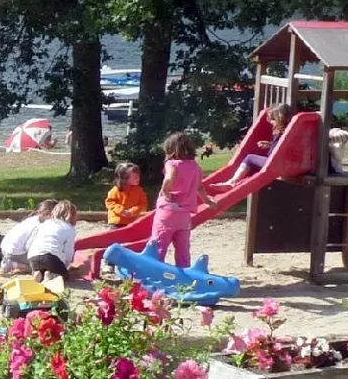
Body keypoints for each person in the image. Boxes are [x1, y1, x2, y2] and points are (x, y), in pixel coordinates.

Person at [147, 130, 221, 269]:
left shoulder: (172, 163)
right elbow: (200, 187)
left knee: (159, 243)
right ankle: (184, 271)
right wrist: (207, 201)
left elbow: (170, 177)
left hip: (168, 211)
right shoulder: (195, 166)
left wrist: (165, 190)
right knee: (183, 247)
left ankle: (153, 269)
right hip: (184, 215)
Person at [212, 102, 291, 189]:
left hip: (273, 163)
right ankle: (234, 182)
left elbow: (281, 148)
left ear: (279, 119)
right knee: (254, 163)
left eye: (273, 119)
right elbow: (280, 146)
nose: (271, 122)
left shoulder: (280, 131)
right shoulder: (287, 130)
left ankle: (232, 182)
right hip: (279, 163)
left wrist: (271, 146)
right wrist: (269, 144)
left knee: (249, 158)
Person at [27, 200, 79, 289]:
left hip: (33, 257)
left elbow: (31, 242)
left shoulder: (45, 223)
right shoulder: (69, 229)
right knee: (64, 275)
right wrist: (66, 265)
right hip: (51, 258)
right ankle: (50, 275)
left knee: (42, 267)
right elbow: (68, 250)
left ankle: (38, 272)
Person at [0, 199, 54, 275]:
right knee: (41, 267)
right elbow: (28, 246)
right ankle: (12, 264)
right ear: (47, 213)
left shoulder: (33, 219)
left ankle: (14, 264)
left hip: (5, 249)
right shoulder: (40, 226)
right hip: (15, 253)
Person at [104, 162, 148, 227]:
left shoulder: (139, 190)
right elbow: (110, 202)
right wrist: (121, 210)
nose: (138, 178)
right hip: (117, 221)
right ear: (125, 179)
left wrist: (132, 211)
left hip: (132, 221)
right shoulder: (115, 190)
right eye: (135, 177)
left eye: (138, 176)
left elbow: (143, 203)